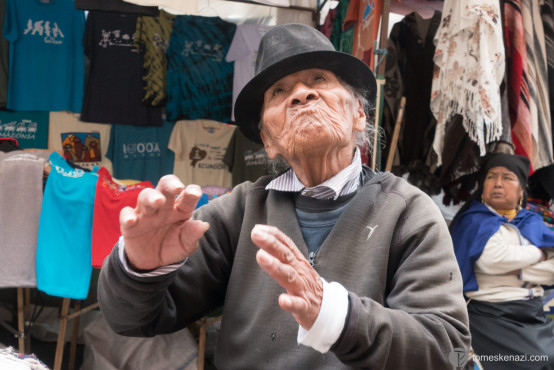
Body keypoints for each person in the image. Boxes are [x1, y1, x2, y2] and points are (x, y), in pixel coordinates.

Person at [98, 23, 470, 369]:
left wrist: (336, 316)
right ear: (268, 141)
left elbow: (446, 349)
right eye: (279, 91)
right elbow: (130, 318)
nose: (301, 94)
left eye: (319, 79)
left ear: (359, 113)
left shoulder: (407, 211)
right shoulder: (240, 211)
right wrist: (140, 270)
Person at [450, 152, 554, 370]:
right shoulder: (473, 221)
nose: (498, 183)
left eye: (507, 178)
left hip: (532, 314)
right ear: (483, 187)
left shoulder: (532, 222)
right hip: (491, 315)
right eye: (491, 177)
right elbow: (492, 260)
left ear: (521, 191)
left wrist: (521, 272)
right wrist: (541, 255)